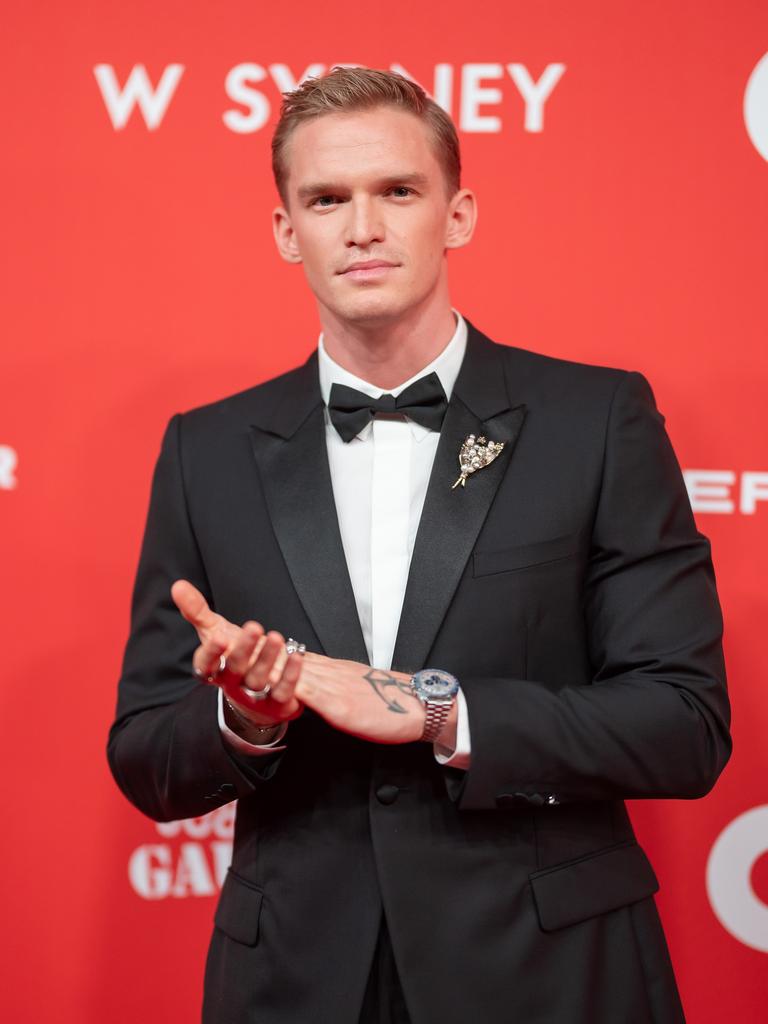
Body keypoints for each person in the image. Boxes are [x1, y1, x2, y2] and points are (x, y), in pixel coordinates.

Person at [107, 67, 731, 1024]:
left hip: (552, 976)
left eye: (397, 191)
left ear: (459, 214)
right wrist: (250, 720)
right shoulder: (206, 450)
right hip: (296, 982)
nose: (363, 227)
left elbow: (685, 724)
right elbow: (145, 752)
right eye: (326, 199)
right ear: (287, 231)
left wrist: (441, 710)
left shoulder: (596, 420)